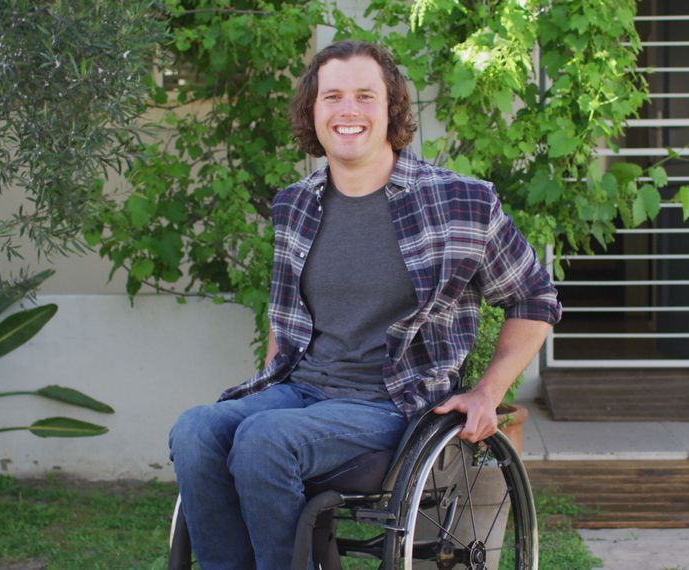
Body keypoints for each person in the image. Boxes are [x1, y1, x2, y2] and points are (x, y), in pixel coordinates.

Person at [168, 40, 561, 570]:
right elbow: (286, 319)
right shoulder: (295, 204)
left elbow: (532, 296)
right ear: (313, 111)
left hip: (392, 402)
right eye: (332, 96)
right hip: (302, 390)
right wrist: (269, 385)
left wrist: (488, 393)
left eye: (364, 96)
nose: (347, 110)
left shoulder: (459, 201)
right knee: (195, 430)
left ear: (391, 108)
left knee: (264, 440)